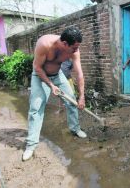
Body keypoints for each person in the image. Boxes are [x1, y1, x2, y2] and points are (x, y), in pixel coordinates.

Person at [22, 26, 87, 161]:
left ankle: (75, 129)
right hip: (40, 76)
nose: (76, 50)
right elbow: (37, 68)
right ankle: (31, 144)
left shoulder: (74, 50)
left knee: (71, 101)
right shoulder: (44, 44)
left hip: (58, 75)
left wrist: (82, 97)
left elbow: (79, 73)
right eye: (74, 48)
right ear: (64, 44)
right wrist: (51, 85)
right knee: (36, 108)